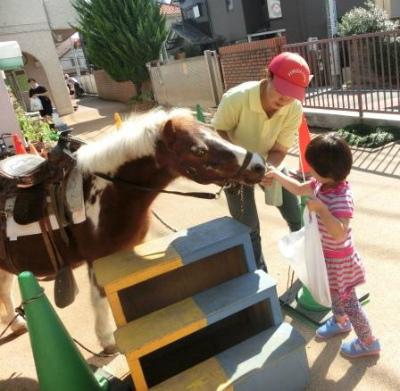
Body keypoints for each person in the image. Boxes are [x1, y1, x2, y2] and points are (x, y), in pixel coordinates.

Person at [265, 133, 381, 358]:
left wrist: (322, 211)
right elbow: (300, 188)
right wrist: (277, 175)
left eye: (312, 167)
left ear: (326, 172)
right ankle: (341, 322)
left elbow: (339, 233)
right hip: (325, 257)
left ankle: (368, 341)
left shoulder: (342, 197)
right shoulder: (321, 184)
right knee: (334, 294)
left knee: (350, 302)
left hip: (340, 261)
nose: (309, 171)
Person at [212, 52, 312, 270]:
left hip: (267, 161)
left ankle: (308, 264)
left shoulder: (293, 109)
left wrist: (271, 169)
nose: (284, 99)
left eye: (292, 94)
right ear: (269, 75)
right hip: (236, 167)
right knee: (248, 227)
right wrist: (239, 164)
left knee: (295, 214)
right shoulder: (236, 98)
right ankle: (261, 278)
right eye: (281, 90)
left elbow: (279, 149)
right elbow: (219, 132)